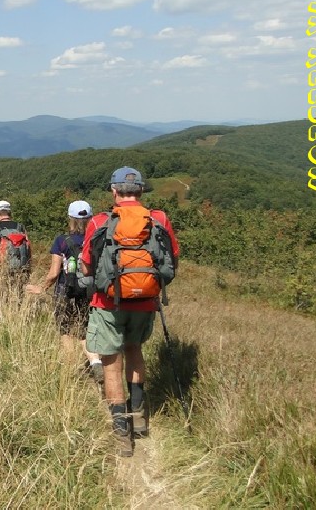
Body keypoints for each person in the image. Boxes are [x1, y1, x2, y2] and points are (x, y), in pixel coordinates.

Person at [81, 167, 180, 457]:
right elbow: (172, 261)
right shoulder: (158, 219)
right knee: (134, 350)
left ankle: (121, 431)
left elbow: (86, 266)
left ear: (114, 191)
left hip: (108, 303)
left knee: (111, 361)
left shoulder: (100, 221)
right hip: (146, 301)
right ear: (141, 191)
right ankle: (138, 418)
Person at [25, 200, 103, 383]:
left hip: (64, 291)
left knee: (65, 330)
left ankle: (71, 371)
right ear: (90, 218)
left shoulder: (61, 241)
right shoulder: (97, 239)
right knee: (85, 330)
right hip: (88, 291)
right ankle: (95, 361)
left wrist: (41, 288)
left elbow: (54, 273)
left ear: (70, 218)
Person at [0, 200, 31, 305]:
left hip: (1, 270)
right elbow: (28, 248)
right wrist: (28, 269)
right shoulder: (20, 227)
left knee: (1, 298)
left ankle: (2, 313)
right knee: (19, 297)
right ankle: (18, 312)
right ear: (9, 212)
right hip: (21, 269)